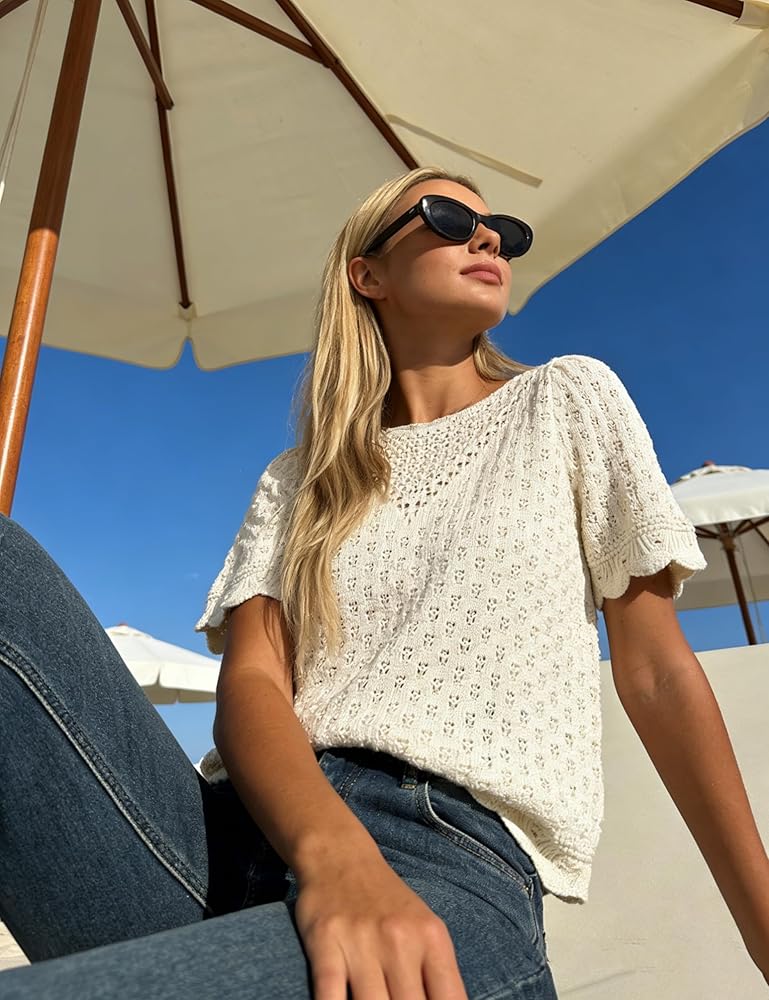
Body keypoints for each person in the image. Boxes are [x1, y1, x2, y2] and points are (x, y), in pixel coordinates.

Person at [1, 165, 767, 1000]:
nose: (489, 238)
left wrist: (761, 928)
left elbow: (654, 672)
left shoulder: (564, 399)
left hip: (441, 857)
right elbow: (253, 683)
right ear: (367, 275)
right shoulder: (296, 480)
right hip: (231, 840)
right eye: (448, 219)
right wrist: (335, 858)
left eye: (503, 231)